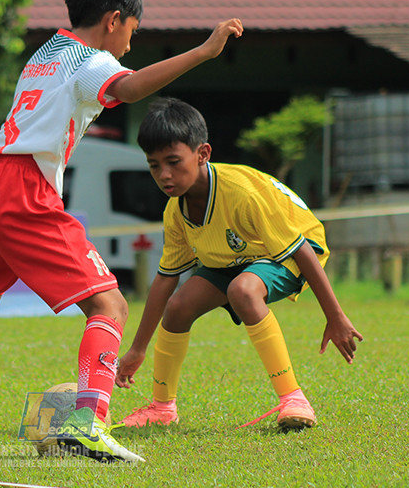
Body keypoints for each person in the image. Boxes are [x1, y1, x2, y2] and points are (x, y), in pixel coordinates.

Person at [0, 0, 243, 463]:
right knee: (110, 306)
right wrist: (204, 51)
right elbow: (130, 88)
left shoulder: (48, 52)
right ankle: (89, 425)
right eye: (133, 30)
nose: (130, 45)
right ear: (114, 20)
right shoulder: (90, 61)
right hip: (22, 186)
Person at [115, 97, 362, 431]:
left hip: (291, 250)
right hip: (234, 258)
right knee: (178, 307)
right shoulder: (176, 211)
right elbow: (164, 280)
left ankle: (293, 400)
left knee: (243, 290)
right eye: (154, 165)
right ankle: (162, 406)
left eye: (173, 161)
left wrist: (335, 316)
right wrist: (137, 349)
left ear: (203, 153)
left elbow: (301, 249)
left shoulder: (240, 193)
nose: (164, 174)